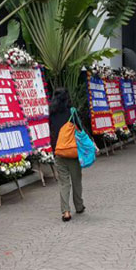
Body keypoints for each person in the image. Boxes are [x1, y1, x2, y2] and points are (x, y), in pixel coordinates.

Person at [48, 88, 85, 222]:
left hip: (58, 152)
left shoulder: (51, 114)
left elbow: (50, 132)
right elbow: (80, 130)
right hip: (72, 152)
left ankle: (66, 212)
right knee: (76, 180)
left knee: (64, 183)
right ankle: (79, 206)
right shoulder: (72, 112)